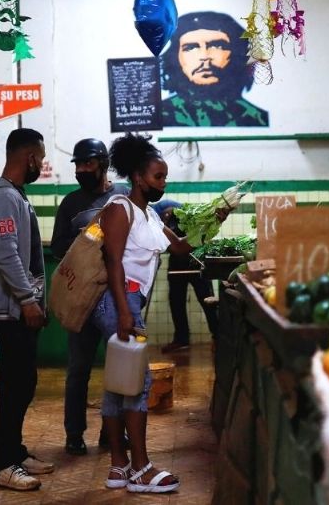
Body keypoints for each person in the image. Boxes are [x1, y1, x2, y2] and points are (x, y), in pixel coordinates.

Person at [93, 133, 231, 493]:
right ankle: (141, 468)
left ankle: (118, 466)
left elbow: (182, 246)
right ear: (138, 177)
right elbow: (113, 261)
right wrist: (125, 312)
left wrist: (216, 219)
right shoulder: (120, 209)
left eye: (164, 177)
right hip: (119, 301)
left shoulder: (149, 214)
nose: (163, 183)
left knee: (118, 385)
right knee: (138, 384)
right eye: (158, 177)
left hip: (127, 301)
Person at [0, 128, 54, 491]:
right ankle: (4, 464)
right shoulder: (3, 200)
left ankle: (16, 451)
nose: (41, 164)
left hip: (20, 307)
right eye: (40, 157)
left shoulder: (15, 197)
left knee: (24, 382)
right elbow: (6, 255)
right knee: (14, 384)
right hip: (11, 310)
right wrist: (27, 299)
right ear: (30, 158)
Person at [51, 138, 129, 456]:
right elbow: (57, 247)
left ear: (103, 164)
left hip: (115, 297)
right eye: (78, 165)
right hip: (83, 298)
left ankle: (111, 433)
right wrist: (86, 242)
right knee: (78, 369)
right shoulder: (70, 203)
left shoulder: (122, 195)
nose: (82, 170)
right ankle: (74, 434)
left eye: (88, 164)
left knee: (118, 369)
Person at [160, 11, 269, 127]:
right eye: (191, 48)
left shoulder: (256, 118)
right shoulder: (162, 114)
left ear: (237, 53)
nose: (205, 57)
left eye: (218, 46)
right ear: (175, 56)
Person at [152, 200, 220, 353]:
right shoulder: (154, 216)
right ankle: (181, 339)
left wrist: (173, 212)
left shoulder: (171, 209)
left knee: (207, 300)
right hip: (177, 261)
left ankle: (218, 336)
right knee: (176, 302)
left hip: (196, 258)